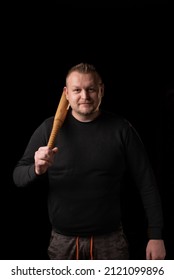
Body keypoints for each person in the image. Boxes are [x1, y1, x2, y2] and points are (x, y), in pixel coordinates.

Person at [13, 62, 166, 260]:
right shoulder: (49, 129)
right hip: (62, 242)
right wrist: (36, 169)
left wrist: (156, 235)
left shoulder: (122, 129)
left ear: (101, 90)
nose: (84, 96)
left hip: (110, 242)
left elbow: (147, 184)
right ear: (66, 93)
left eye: (91, 89)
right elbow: (17, 176)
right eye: (77, 90)